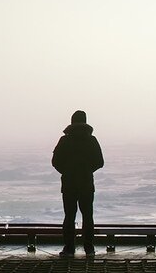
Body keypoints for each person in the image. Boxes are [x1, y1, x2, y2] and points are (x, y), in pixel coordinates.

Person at [51, 110, 104, 257]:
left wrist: (67, 171)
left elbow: (55, 162)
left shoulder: (64, 140)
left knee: (69, 216)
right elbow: (100, 162)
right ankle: (89, 248)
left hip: (68, 183)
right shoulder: (91, 140)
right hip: (86, 183)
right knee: (88, 216)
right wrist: (87, 170)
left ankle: (69, 248)